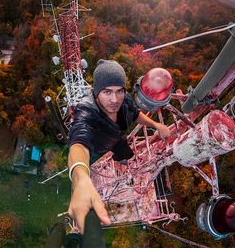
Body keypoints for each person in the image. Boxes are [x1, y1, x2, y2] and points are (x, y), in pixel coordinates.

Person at [67, 59, 170, 233]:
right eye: (107, 92)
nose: (115, 99)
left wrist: (156, 126)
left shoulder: (125, 100)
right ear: (96, 92)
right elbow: (79, 143)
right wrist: (81, 177)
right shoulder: (86, 112)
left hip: (117, 139)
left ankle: (121, 161)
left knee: (126, 155)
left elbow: (136, 114)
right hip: (96, 150)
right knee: (86, 170)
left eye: (119, 91)